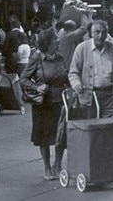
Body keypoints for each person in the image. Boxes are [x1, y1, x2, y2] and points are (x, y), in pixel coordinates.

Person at [20, 28, 69, 181]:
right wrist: (37, 87)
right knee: (44, 136)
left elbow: (66, 77)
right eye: (55, 39)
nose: (58, 40)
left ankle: (57, 164)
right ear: (47, 43)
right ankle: (47, 167)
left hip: (61, 101)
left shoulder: (60, 58)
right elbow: (23, 79)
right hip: (43, 102)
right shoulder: (37, 58)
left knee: (61, 135)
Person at [69, 20, 113, 118]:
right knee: (92, 129)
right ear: (91, 33)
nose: (100, 35)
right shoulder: (81, 49)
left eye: (103, 32)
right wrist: (76, 83)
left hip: (110, 97)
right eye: (97, 32)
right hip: (89, 97)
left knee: (109, 127)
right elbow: (73, 72)